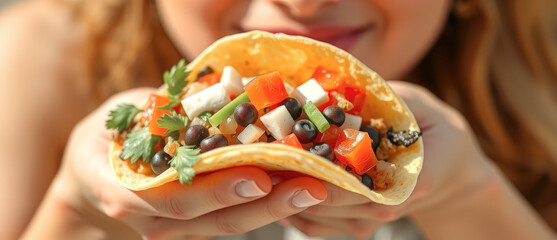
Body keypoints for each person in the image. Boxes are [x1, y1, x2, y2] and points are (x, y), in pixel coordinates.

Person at [0, 0, 556, 239]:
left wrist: (469, 196)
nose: (306, 4)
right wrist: (77, 208)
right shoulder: (43, 60)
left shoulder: (544, 70)